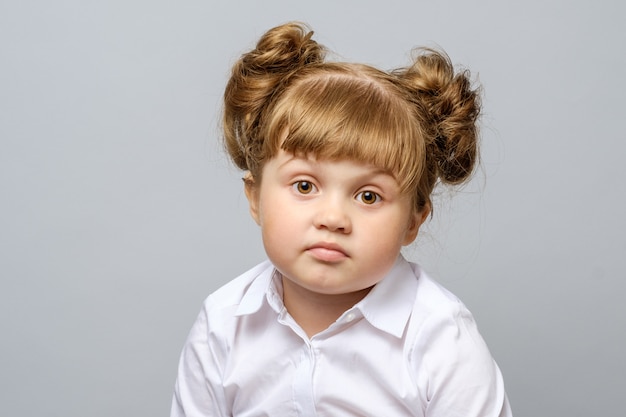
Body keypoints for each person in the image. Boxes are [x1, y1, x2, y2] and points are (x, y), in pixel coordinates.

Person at [171, 22, 512, 417]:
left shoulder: (441, 340)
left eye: (368, 196)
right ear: (255, 197)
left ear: (413, 221)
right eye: (304, 186)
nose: (333, 218)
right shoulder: (223, 324)